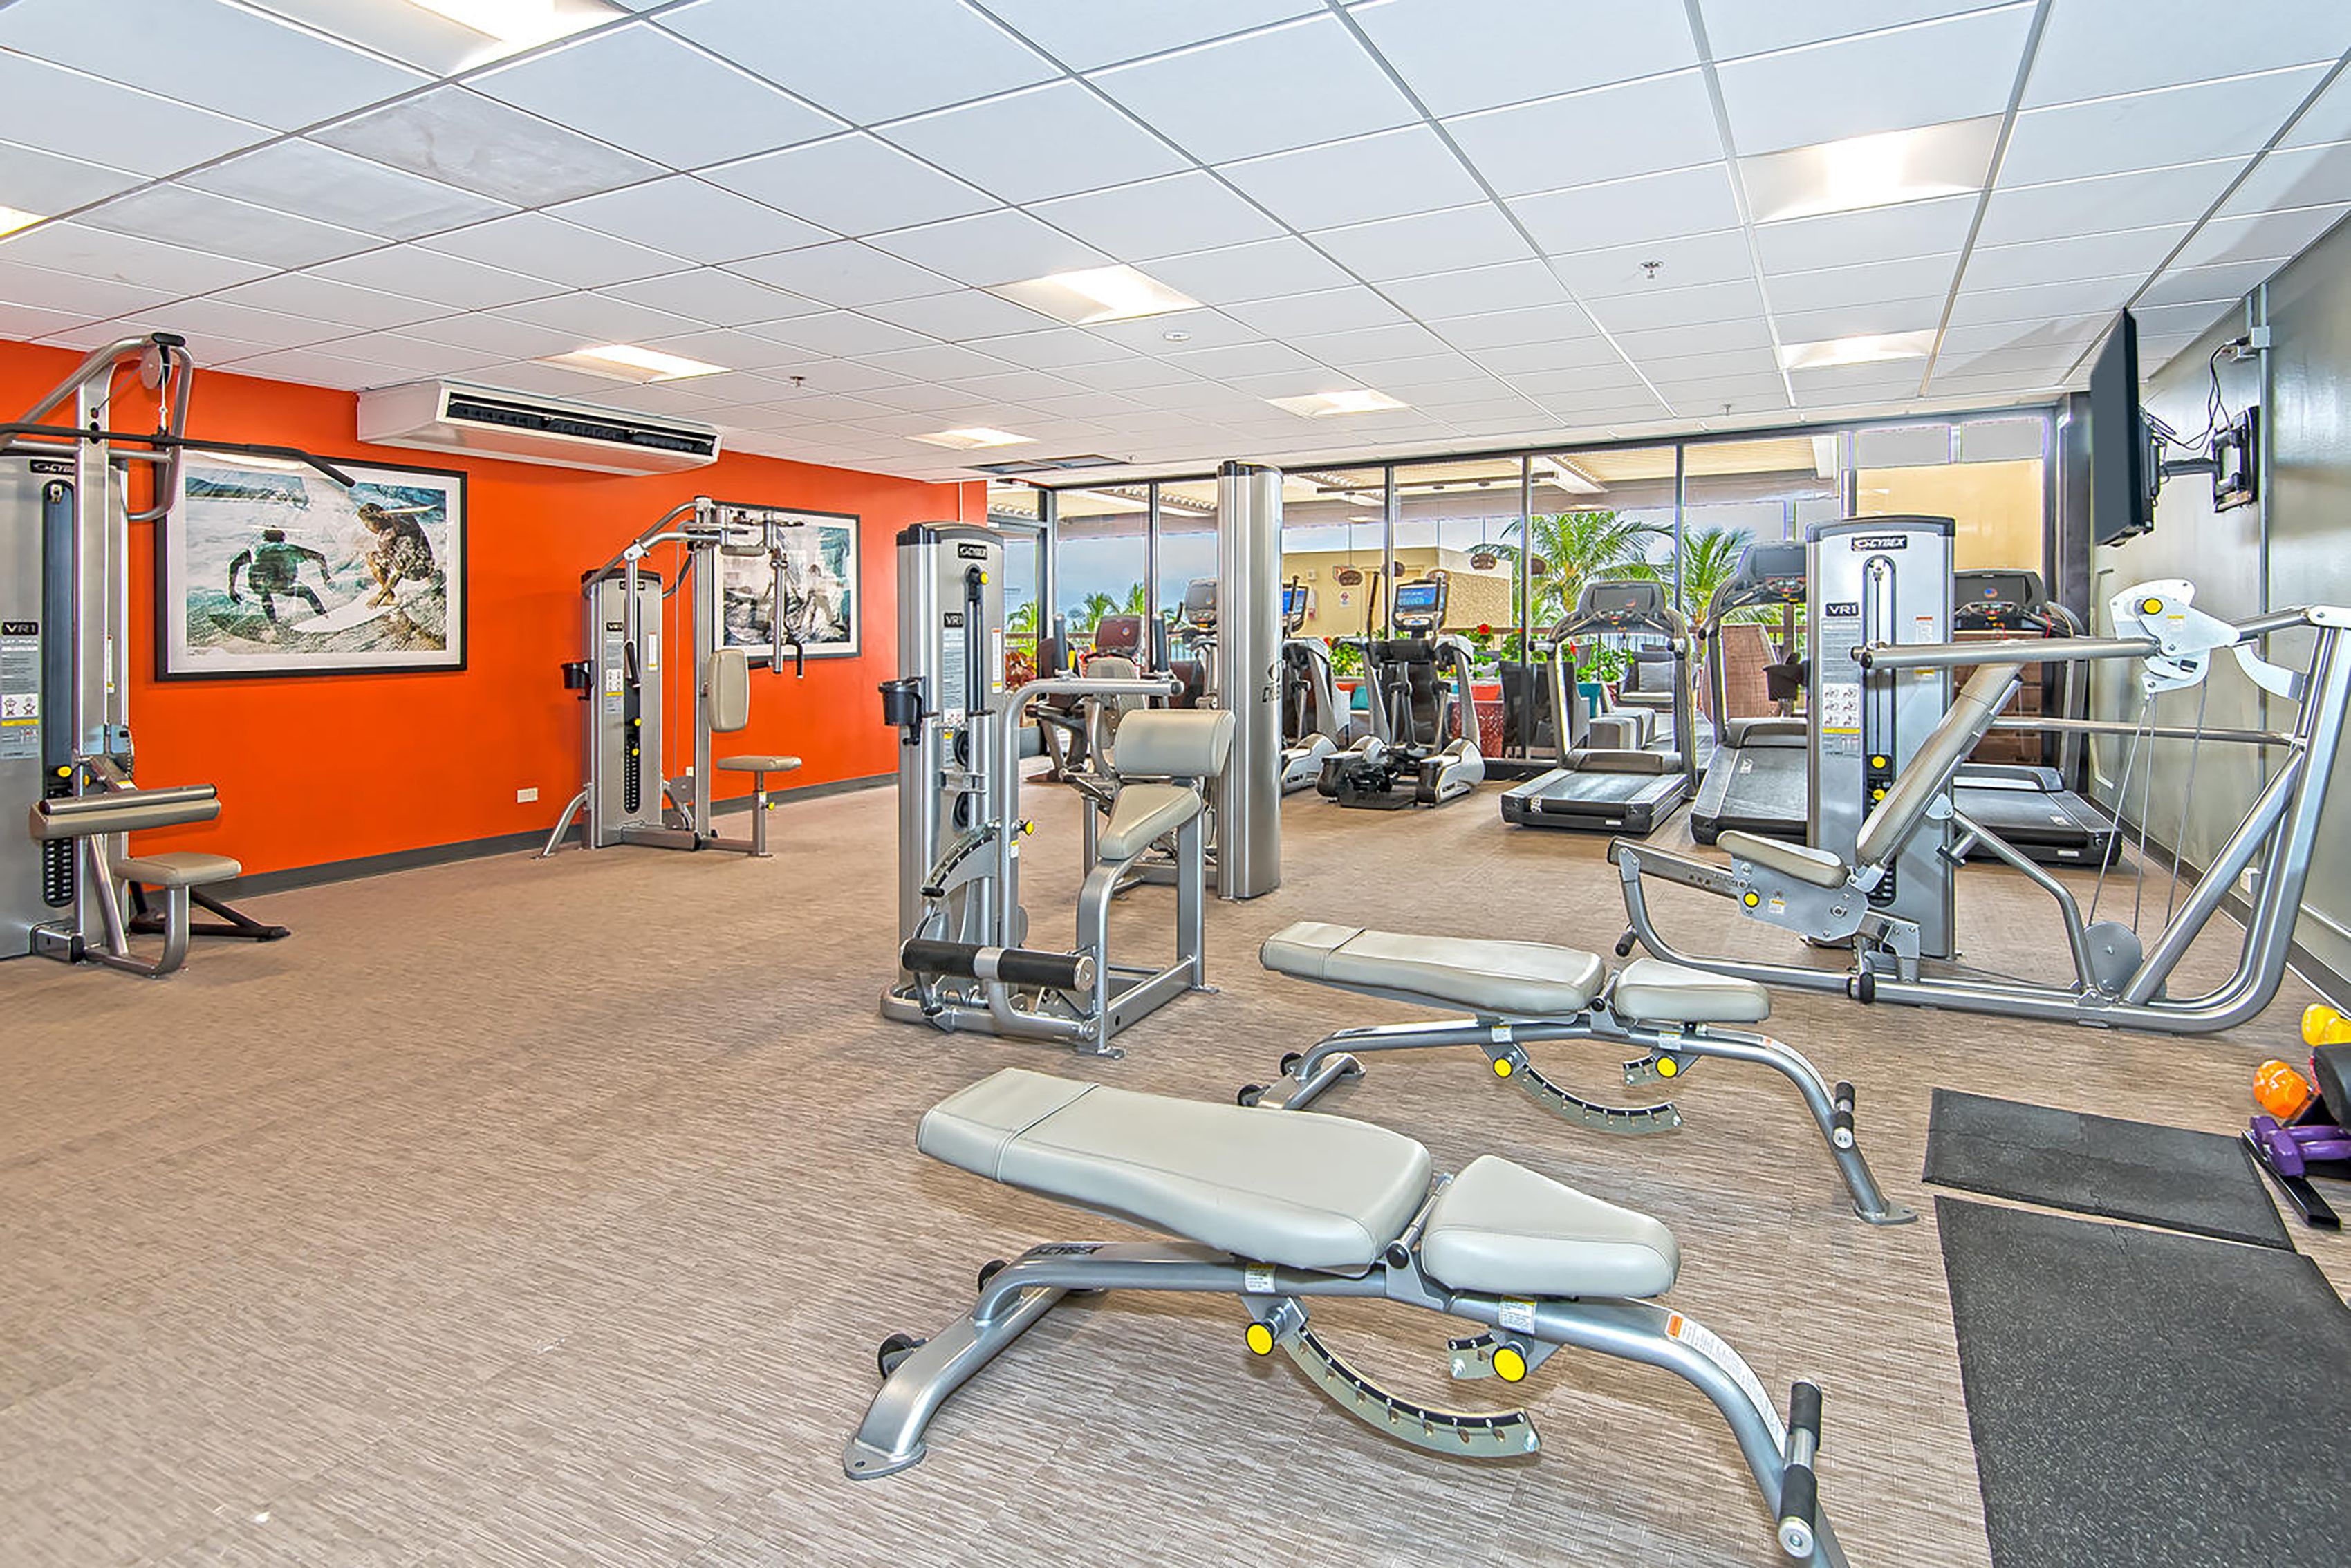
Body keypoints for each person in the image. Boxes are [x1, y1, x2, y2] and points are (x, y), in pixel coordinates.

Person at [227, 528, 333, 627]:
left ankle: (274, 624)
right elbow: (320, 557)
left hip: (259, 585)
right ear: (283, 538)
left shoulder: (254, 550)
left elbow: (234, 565)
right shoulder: (291, 549)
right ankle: (325, 617)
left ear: (265, 538)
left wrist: (232, 589)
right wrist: (326, 578)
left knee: (265, 595)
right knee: (307, 592)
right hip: (283, 584)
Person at [356, 501, 437, 606]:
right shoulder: (402, 523)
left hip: (418, 571)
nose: (367, 528)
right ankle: (430, 579)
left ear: (377, 522)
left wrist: (382, 594)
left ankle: (390, 597)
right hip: (428, 563)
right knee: (411, 550)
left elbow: (400, 568)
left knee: (371, 557)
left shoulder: (393, 533)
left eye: (367, 524)